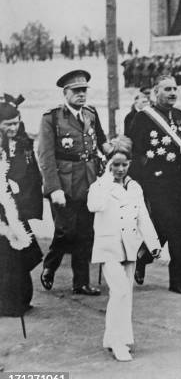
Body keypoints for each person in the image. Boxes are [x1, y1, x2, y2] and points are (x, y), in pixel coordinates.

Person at [87, 140, 161, 362]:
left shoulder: (135, 187)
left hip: (130, 246)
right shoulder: (100, 186)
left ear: (130, 164)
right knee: (119, 292)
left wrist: (153, 243)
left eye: (124, 165)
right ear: (108, 164)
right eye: (115, 165)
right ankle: (118, 343)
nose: (120, 169)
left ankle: (115, 337)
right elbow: (94, 206)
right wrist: (107, 179)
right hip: (108, 247)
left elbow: (143, 217)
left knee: (125, 295)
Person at [38, 70, 111, 296]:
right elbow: (46, 157)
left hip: (89, 181)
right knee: (66, 231)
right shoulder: (51, 118)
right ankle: (50, 265)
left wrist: (114, 154)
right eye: (76, 91)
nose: (81, 95)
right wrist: (54, 188)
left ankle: (81, 283)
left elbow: (102, 141)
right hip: (64, 183)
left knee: (86, 233)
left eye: (84, 91)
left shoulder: (90, 113)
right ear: (65, 93)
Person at [129, 76, 181, 294]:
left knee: (180, 232)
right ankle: (144, 255)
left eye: (175, 88)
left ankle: (176, 280)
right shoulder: (143, 118)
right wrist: (138, 182)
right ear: (156, 92)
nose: (173, 92)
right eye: (167, 89)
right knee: (165, 227)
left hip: (178, 181)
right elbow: (134, 153)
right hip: (155, 181)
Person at [0, 103, 43, 318]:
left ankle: (22, 299)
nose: (13, 127)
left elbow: (32, 174)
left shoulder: (22, 142)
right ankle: (8, 304)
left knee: (21, 254)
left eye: (16, 123)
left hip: (15, 207)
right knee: (6, 258)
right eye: (8, 124)